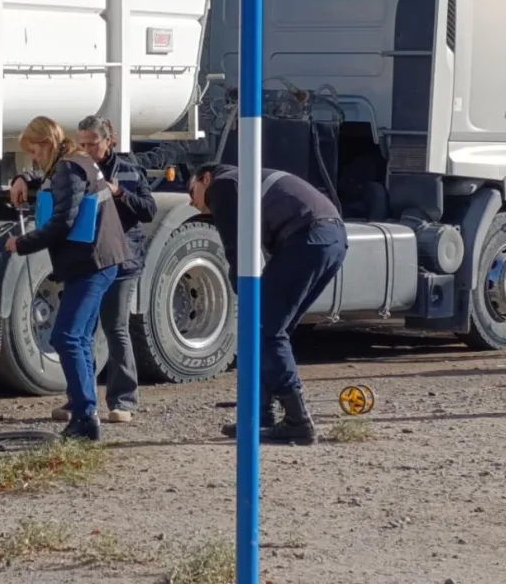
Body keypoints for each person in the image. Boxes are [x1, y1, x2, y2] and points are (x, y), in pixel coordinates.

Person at [188, 163, 347, 445]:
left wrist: (243, 287)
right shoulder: (248, 178)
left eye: (193, 191)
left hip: (306, 237)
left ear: (206, 177)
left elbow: (235, 246)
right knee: (272, 330)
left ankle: (297, 420)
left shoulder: (221, 185)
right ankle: (260, 416)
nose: (193, 201)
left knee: (266, 329)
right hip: (331, 238)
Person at [19, 115, 157, 425]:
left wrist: (119, 192)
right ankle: (80, 399)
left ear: (109, 142)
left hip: (121, 259)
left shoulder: (128, 170)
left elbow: (149, 210)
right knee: (82, 331)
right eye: (81, 143)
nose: (86, 149)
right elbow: (50, 176)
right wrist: (22, 179)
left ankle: (122, 399)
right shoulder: (75, 164)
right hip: (87, 258)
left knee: (115, 327)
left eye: (92, 144)